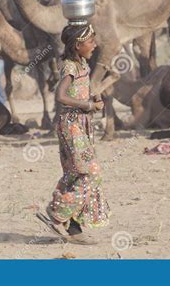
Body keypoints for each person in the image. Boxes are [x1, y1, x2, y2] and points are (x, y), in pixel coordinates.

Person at [36, 24, 110, 245]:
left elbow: (78, 91)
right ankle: (57, 214)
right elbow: (61, 96)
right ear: (77, 45)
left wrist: (94, 98)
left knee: (76, 175)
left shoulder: (82, 64)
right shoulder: (70, 67)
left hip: (81, 125)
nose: (94, 45)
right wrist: (87, 104)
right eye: (90, 42)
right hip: (71, 125)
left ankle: (75, 230)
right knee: (91, 173)